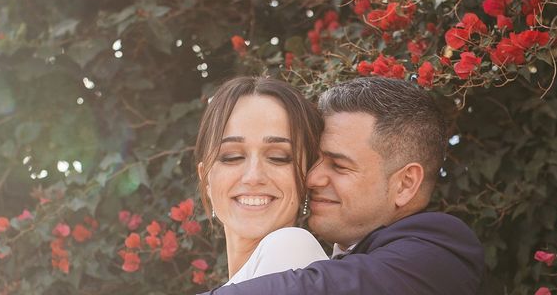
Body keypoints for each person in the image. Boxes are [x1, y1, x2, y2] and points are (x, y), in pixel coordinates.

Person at [201, 77, 484, 295]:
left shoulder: (436, 252)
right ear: (205, 177)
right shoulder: (320, 263)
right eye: (232, 157)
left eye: (339, 165)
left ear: (405, 183)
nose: (312, 178)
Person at [195, 77, 328, 285]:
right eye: (232, 157)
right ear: (206, 179)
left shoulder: (291, 248)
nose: (253, 177)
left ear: (306, 177)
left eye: (278, 157)